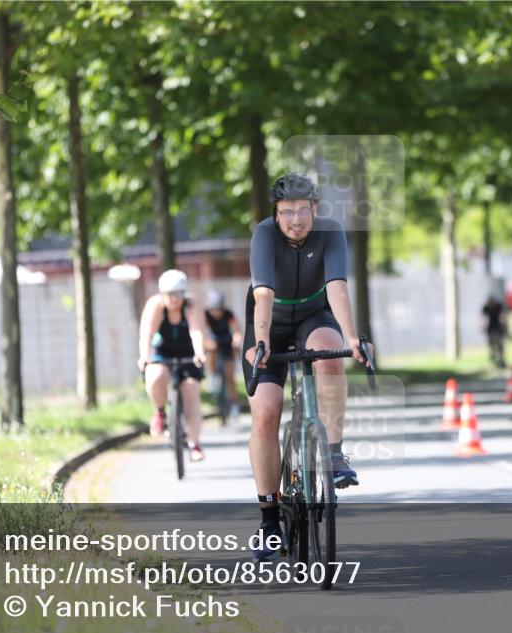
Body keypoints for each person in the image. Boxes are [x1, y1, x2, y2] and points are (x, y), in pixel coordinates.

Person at [243, 173, 372, 561]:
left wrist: (352, 337)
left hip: (313, 317)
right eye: (286, 212)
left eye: (302, 210)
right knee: (266, 412)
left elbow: (337, 287)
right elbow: (263, 294)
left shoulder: (331, 233)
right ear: (276, 214)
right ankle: (269, 520)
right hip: (269, 323)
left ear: (315, 209)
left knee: (330, 352)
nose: (295, 219)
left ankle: (333, 452)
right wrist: (261, 342)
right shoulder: (264, 235)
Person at [137, 269, 207, 462]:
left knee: (192, 392)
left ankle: (195, 444)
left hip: (188, 352)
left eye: (178, 294)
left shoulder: (191, 305)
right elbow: (146, 334)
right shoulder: (155, 305)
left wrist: (200, 352)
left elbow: (196, 331)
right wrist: (144, 356)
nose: (174, 300)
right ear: (162, 294)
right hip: (162, 352)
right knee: (155, 376)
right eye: (170, 295)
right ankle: (160, 412)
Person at [204, 289, 242, 419]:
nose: (216, 313)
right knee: (211, 349)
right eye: (213, 309)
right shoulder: (206, 315)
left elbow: (236, 330)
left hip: (226, 343)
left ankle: (234, 404)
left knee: (230, 376)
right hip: (213, 342)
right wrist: (206, 342)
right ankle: (212, 375)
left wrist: (237, 340)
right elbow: (202, 331)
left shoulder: (228, 314)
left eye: (219, 309)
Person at [482, 295, 506, 369]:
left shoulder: (498, 306)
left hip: (498, 328)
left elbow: (502, 316)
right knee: (491, 345)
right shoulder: (486, 308)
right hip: (490, 329)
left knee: (499, 345)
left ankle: (501, 360)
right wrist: (482, 326)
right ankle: (493, 359)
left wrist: (503, 325)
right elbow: (482, 318)